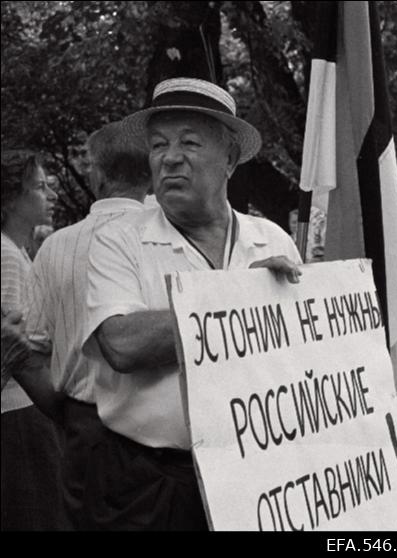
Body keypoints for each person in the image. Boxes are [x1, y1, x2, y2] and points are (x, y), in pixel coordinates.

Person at [80, 78, 303, 530]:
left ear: (230, 159)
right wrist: (245, 297)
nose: (170, 158)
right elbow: (121, 344)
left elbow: (299, 353)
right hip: (152, 484)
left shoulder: (271, 238)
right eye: (158, 145)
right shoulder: (119, 241)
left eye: (190, 142)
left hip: (258, 474)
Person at [21, 121, 151, 529]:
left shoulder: (56, 247)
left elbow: (33, 349)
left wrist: (64, 415)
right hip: (166, 434)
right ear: (150, 171)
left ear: (95, 173)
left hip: (86, 428)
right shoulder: (172, 240)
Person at [0, 151, 68, 530]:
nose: (51, 195)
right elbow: (17, 342)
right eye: (40, 187)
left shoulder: (18, 251)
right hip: (19, 412)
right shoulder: (7, 257)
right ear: (11, 198)